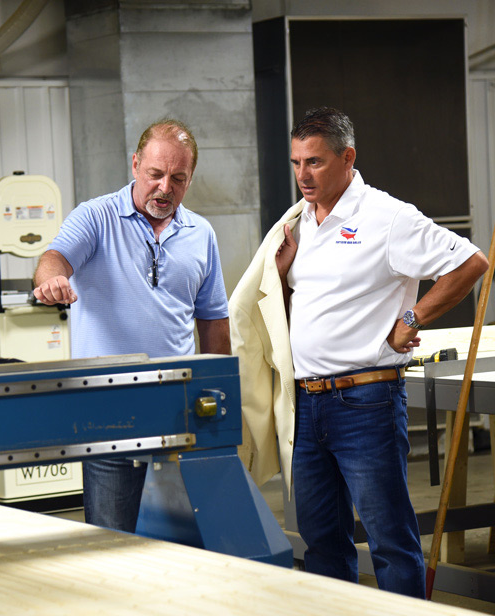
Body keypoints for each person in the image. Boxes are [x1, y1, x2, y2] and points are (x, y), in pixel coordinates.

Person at [229, 107, 488, 598]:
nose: (303, 175)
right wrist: (282, 276)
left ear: (348, 157)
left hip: (364, 402)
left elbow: (471, 262)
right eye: (296, 163)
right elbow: (294, 312)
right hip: (304, 404)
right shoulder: (297, 225)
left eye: (316, 162)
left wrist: (409, 320)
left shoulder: (387, 218)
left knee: (389, 539)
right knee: (322, 542)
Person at [33, 119, 231, 533]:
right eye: (155, 174)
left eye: (178, 178)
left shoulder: (201, 233)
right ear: (136, 164)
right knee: (112, 535)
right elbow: (55, 258)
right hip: (109, 409)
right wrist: (52, 279)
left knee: (187, 535)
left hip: (178, 409)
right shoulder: (96, 217)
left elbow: (213, 321)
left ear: (190, 178)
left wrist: (221, 397)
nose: (165, 188)